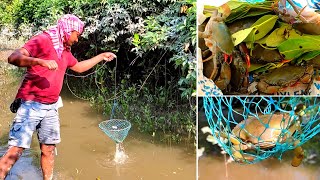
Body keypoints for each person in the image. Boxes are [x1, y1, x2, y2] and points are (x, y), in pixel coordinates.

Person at [0, 14, 116, 180]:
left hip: (51, 107)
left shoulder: (65, 51)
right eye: (77, 34)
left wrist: (101, 57)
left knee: (49, 150)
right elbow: (13, 58)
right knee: (15, 151)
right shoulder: (43, 40)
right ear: (68, 30)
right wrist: (40, 61)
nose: (77, 39)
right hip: (30, 104)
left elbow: (78, 67)